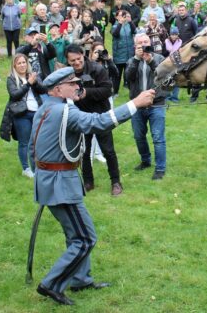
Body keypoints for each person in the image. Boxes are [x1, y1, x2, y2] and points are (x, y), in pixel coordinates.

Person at [30, 67, 155, 306]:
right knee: (85, 238)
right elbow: (98, 122)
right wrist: (135, 103)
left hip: (53, 182)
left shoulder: (47, 107)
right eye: (72, 83)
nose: (78, 86)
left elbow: (32, 149)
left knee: (74, 235)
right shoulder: (63, 112)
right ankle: (51, 285)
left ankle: (80, 279)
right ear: (58, 89)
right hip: (60, 186)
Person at [65, 45, 123, 196]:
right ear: (67, 60)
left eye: (78, 59)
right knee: (84, 151)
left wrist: (86, 92)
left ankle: (116, 182)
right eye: (72, 61)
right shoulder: (67, 73)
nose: (76, 63)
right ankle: (88, 181)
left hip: (100, 116)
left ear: (82, 55)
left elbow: (107, 90)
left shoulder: (97, 69)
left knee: (108, 150)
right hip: (80, 117)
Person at [126, 33, 168, 179]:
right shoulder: (132, 60)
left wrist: (150, 61)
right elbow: (128, 78)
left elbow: (163, 76)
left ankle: (160, 168)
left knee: (157, 137)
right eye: (140, 43)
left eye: (146, 42)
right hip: (137, 104)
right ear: (136, 46)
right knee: (138, 136)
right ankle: (145, 160)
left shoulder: (159, 58)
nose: (144, 45)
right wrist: (137, 59)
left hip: (156, 104)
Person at [3, 54, 47, 178]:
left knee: (38, 141)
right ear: (14, 66)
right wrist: (28, 84)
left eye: (24, 62)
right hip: (21, 114)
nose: (22, 65)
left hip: (37, 112)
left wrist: (34, 82)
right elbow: (15, 95)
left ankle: (38, 164)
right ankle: (26, 168)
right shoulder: (11, 79)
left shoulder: (32, 75)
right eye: (19, 63)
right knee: (24, 142)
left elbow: (43, 90)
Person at [111, 9, 137, 94]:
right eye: (121, 15)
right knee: (117, 75)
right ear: (117, 17)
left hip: (129, 54)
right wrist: (120, 23)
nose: (123, 17)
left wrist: (130, 22)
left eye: (124, 15)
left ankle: (131, 91)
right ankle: (115, 92)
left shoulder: (129, 25)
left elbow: (134, 31)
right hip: (119, 54)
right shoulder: (115, 26)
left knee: (129, 74)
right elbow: (115, 34)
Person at [164, 26, 182, 102]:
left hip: (177, 62)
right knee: (168, 80)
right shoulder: (166, 41)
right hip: (168, 62)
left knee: (176, 80)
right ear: (170, 35)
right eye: (172, 34)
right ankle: (167, 96)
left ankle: (175, 97)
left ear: (178, 35)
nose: (174, 36)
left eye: (175, 34)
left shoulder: (180, 42)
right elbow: (164, 52)